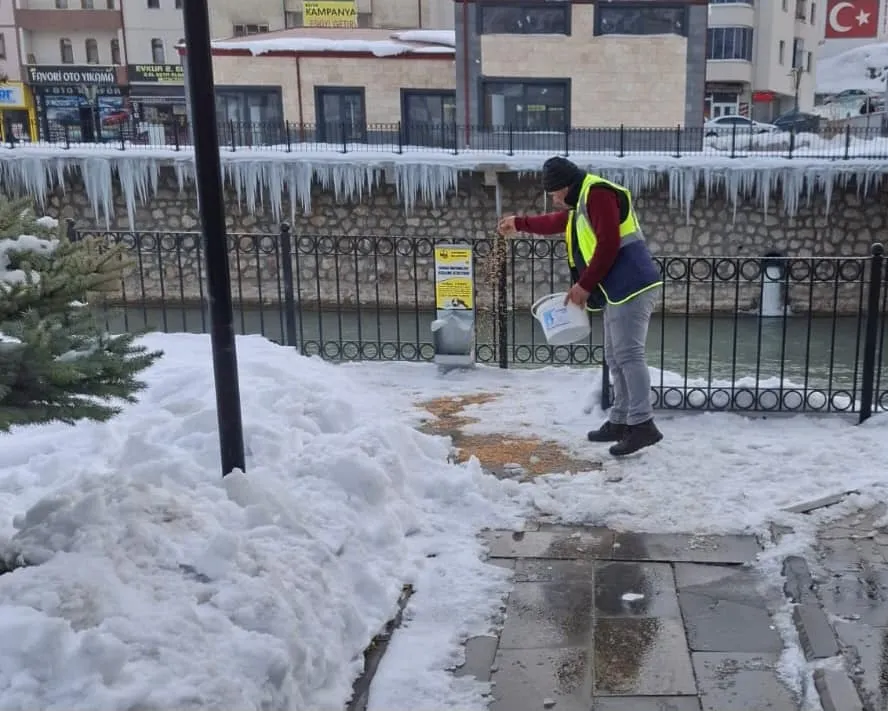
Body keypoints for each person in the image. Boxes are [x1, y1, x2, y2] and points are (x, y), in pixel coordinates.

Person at [498, 156, 664, 456]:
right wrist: (519, 223)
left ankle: (642, 425)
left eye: (553, 194)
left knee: (629, 355)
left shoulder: (597, 194)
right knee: (615, 357)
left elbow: (609, 243)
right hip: (617, 289)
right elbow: (555, 223)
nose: (553, 200)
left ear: (563, 188)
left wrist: (585, 285)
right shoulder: (581, 205)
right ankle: (620, 420)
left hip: (633, 284)